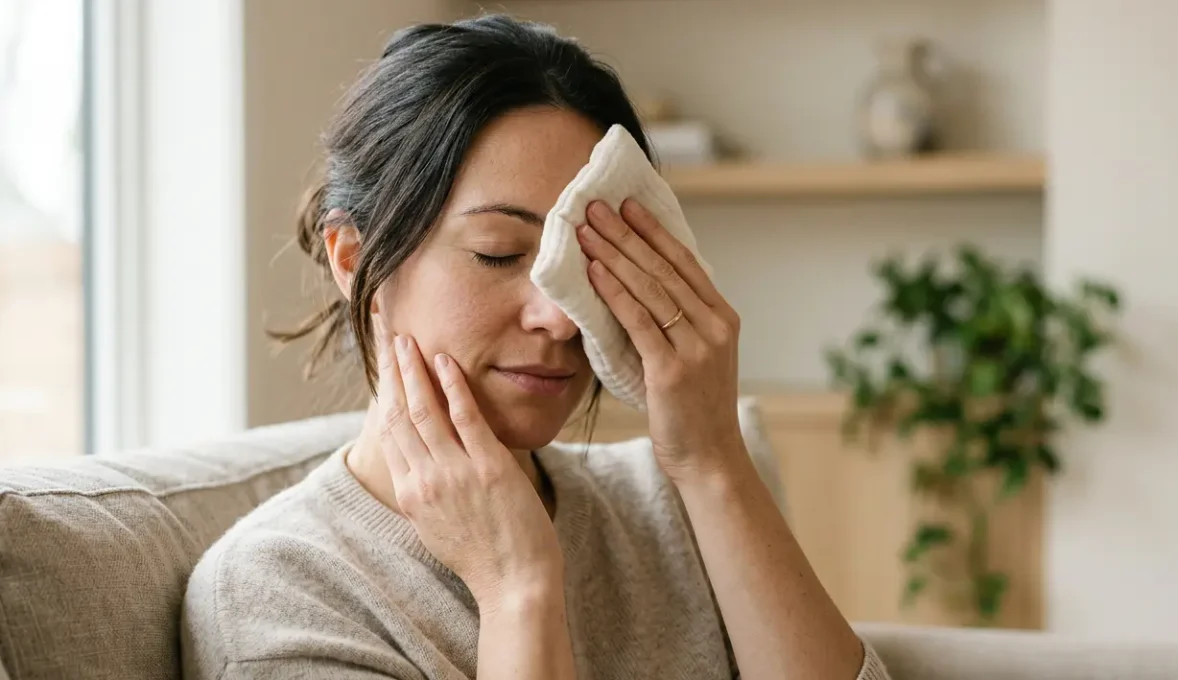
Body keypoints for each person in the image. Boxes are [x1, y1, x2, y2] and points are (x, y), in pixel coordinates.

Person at [181, 14, 890, 680]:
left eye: (583, 266)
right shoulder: (277, 590)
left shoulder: (671, 504)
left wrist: (713, 460)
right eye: (498, 253)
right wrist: (516, 589)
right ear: (353, 259)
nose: (559, 317)